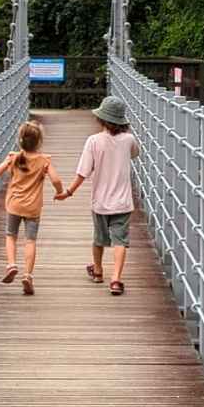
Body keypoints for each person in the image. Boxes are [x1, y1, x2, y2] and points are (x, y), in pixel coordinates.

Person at [55, 96, 140, 296]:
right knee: (121, 241)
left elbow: (83, 172)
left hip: (100, 202)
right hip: (123, 202)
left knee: (99, 238)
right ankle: (116, 279)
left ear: (101, 119)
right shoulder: (129, 139)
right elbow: (135, 154)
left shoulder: (93, 141)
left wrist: (68, 192)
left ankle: (98, 270)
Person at [0, 121, 63, 295]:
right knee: (30, 241)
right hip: (33, 208)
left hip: (14, 205)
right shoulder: (43, 161)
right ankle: (28, 275)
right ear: (39, 142)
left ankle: (11, 265)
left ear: (20, 140)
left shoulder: (15, 158)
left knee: (11, 236)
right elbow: (56, 180)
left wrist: (7, 160)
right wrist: (60, 192)